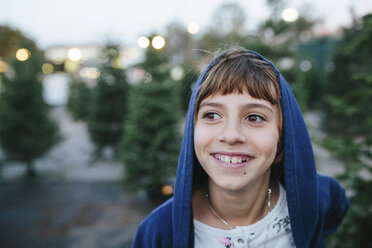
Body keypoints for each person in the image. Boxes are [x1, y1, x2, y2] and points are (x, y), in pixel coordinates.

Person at [131, 47, 349, 248]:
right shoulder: (158, 232)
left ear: (282, 136)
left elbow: (335, 211)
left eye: (254, 117)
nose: (231, 135)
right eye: (212, 115)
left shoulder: (314, 197)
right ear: (193, 128)